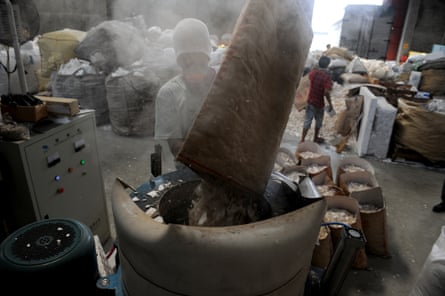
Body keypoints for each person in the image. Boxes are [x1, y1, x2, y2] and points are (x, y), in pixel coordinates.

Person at [154, 18, 217, 162]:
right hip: (191, 166)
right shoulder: (169, 93)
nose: (193, 63)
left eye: (199, 58)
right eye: (186, 59)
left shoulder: (223, 84)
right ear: (179, 61)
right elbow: (176, 148)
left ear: (207, 58)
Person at [300, 55, 334, 143]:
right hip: (319, 103)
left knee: (307, 121)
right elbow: (326, 92)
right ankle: (315, 138)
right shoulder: (327, 77)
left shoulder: (313, 73)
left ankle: (302, 139)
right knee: (318, 122)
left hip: (310, 101)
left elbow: (306, 83)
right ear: (327, 65)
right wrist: (330, 104)